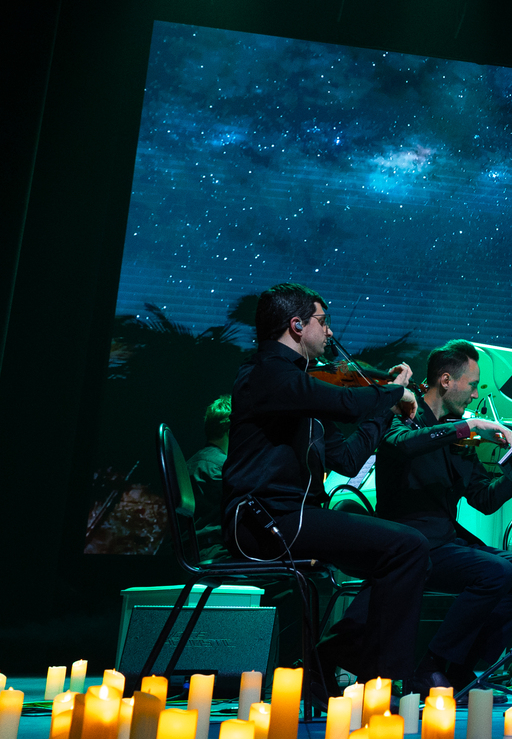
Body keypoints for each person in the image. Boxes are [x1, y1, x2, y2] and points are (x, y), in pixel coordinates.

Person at [221, 282, 436, 698]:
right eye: (324, 321)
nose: (331, 332)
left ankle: (327, 666)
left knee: (408, 555)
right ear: (297, 325)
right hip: (262, 520)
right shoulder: (267, 374)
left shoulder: (301, 387)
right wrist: (396, 390)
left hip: (291, 517)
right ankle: (381, 685)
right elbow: (349, 404)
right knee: (408, 547)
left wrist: (386, 411)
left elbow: (348, 459)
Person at [375, 340, 512, 689]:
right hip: (409, 543)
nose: (475, 395)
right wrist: (469, 428)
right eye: (472, 385)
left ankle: (459, 667)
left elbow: (484, 499)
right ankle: (431, 665)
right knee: (496, 571)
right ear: (446, 380)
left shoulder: (460, 436)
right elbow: (404, 444)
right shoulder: (405, 416)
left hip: (445, 540)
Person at [187, 396, 232, 561]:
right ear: (231, 429)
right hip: (215, 553)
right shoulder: (221, 467)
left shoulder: (191, 463)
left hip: (192, 554)